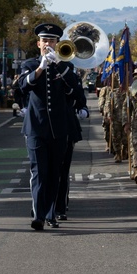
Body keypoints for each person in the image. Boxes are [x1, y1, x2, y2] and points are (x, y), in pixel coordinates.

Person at [15, 23, 77, 230]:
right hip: (35, 128)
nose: (48, 44)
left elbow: (74, 90)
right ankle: (39, 215)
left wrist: (58, 64)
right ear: (38, 43)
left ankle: (51, 213)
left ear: (57, 43)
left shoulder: (66, 65)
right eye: (45, 41)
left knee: (54, 173)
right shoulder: (30, 64)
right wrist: (41, 67)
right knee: (39, 172)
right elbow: (24, 86)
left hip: (59, 128)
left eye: (52, 40)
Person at [54, 68, 88, 221]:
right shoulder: (37, 69)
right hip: (45, 127)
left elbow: (80, 97)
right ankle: (43, 206)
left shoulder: (70, 75)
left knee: (62, 170)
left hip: (67, 126)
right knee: (43, 171)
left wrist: (83, 109)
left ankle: (60, 206)